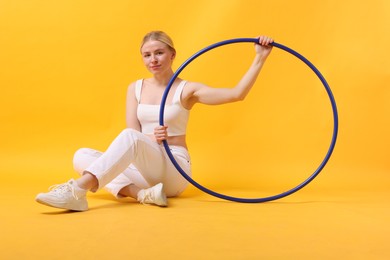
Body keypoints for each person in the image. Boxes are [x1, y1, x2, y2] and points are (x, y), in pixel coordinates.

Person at [35, 31, 273, 211]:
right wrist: (150, 138)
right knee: (82, 155)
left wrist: (260, 58)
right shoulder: (135, 88)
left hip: (174, 168)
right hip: (144, 167)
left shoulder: (187, 90)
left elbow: (236, 94)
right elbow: (133, 132)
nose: (153, 60)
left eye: (159, 53)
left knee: (128, 141)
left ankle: (77, 190)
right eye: (147, 55)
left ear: (172, 54)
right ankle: (144, 195)